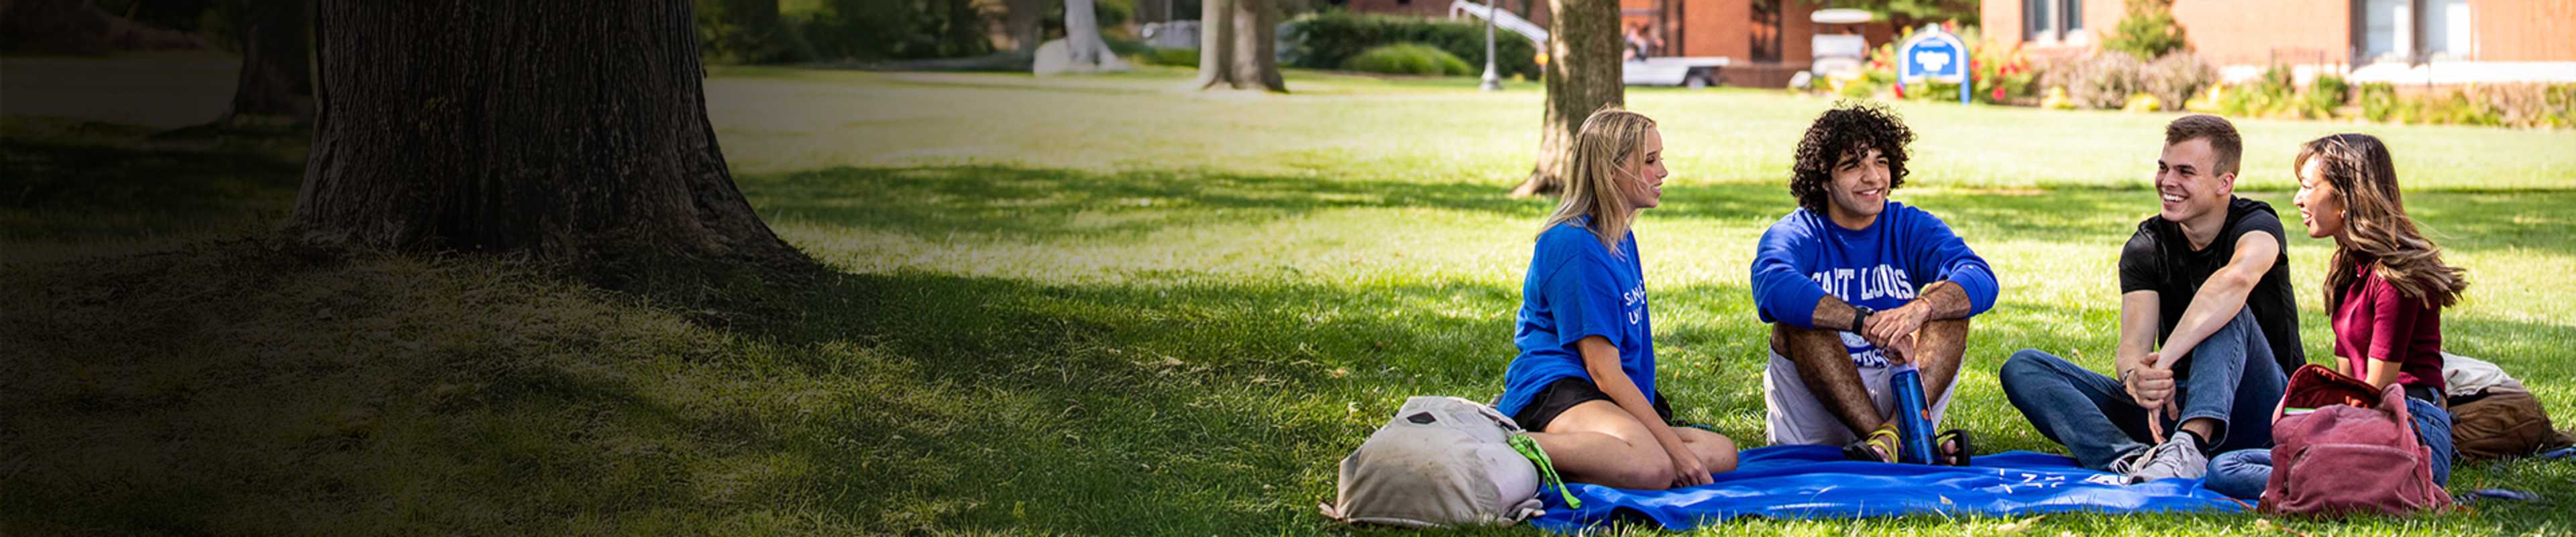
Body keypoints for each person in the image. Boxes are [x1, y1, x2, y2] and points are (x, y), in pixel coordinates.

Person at [1999, 114, 2298, 482]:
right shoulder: (2147, 245)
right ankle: (2134, 459)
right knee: (2025, 367)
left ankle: (2191, 445)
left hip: (2262, 407)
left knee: (2225, 309)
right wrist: (2137, 378)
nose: (2168, 182)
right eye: (2163, 168)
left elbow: (2235, 280)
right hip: (2173, 410)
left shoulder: (2257, 225)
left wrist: (2165, 359)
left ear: (2225, 183)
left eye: (2185, 172)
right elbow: (2132, 349)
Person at [2201, 134, 2466, 499]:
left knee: (2233, 472)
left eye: (2308, 187)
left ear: (2346, 196)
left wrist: (2322, 432)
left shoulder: (2396, 275)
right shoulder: (2347, 267)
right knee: (2225, 466)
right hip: (2364, 421)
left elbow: (2378, 390)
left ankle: (2377, 484)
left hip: (2409, 425)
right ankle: (2346, 484)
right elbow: (2348, 385)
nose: (2298, 199)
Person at [1496, 108, 1738, 490]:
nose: (1663, 172)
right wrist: (1675, 454)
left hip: (1603, 393)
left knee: (1722, 452)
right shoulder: (1574, 247)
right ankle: (1504, 441)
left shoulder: (1620, 236)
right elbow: (1602, 371)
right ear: (1611, 170)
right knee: (1653, 467)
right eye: (1649, 161)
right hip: (1557, 389)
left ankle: (1607, 454)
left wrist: (1670, 445)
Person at [1750, 101, 1998, 462]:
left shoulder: (1910, 225)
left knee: (1950, 306)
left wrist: (1920, 309)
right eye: (1853, 166)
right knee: (1801, 318)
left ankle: (1892, 438)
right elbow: (1773, 286)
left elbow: (1980, 277)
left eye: (1881, 162)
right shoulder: (1798, 232)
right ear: (1823, 178)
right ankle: (1900, 442)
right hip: (1816, 407)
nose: (1873, 178)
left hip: (1897, 395)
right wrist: (1860, 321)